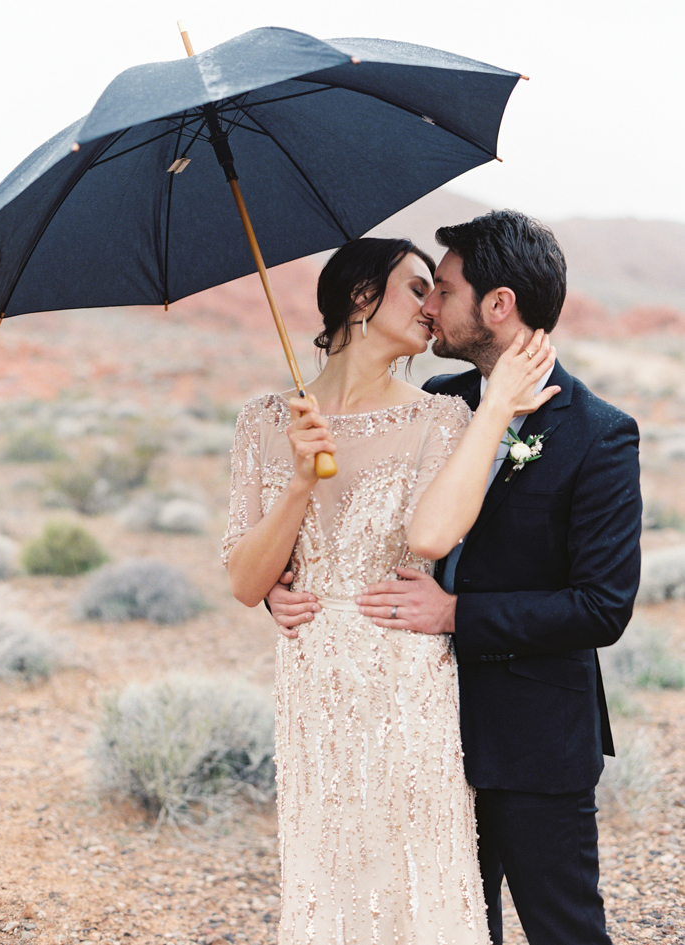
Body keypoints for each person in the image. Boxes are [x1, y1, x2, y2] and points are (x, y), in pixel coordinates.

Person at [267, 211, 642, 945]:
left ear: (498, 306)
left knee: (565, 929)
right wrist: (293, 583)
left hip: (530, 738)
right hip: (412, 725)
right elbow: (366, 535)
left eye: (443, 287)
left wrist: (453, 613)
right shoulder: (440, 401)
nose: (430, 305)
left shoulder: (599, 433)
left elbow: (601, 606)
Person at [222, 235, 559, 945]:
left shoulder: (439, 417)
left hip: (407, 686)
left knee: (416, 875)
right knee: (328, 873)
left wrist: (495, 406)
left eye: (437, 290)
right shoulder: (262, 421)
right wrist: (301, 482)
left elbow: (433, 538)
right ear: (360, 295)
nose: (433, 306)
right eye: (416, 287)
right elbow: (248, 582)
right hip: (313, 687)